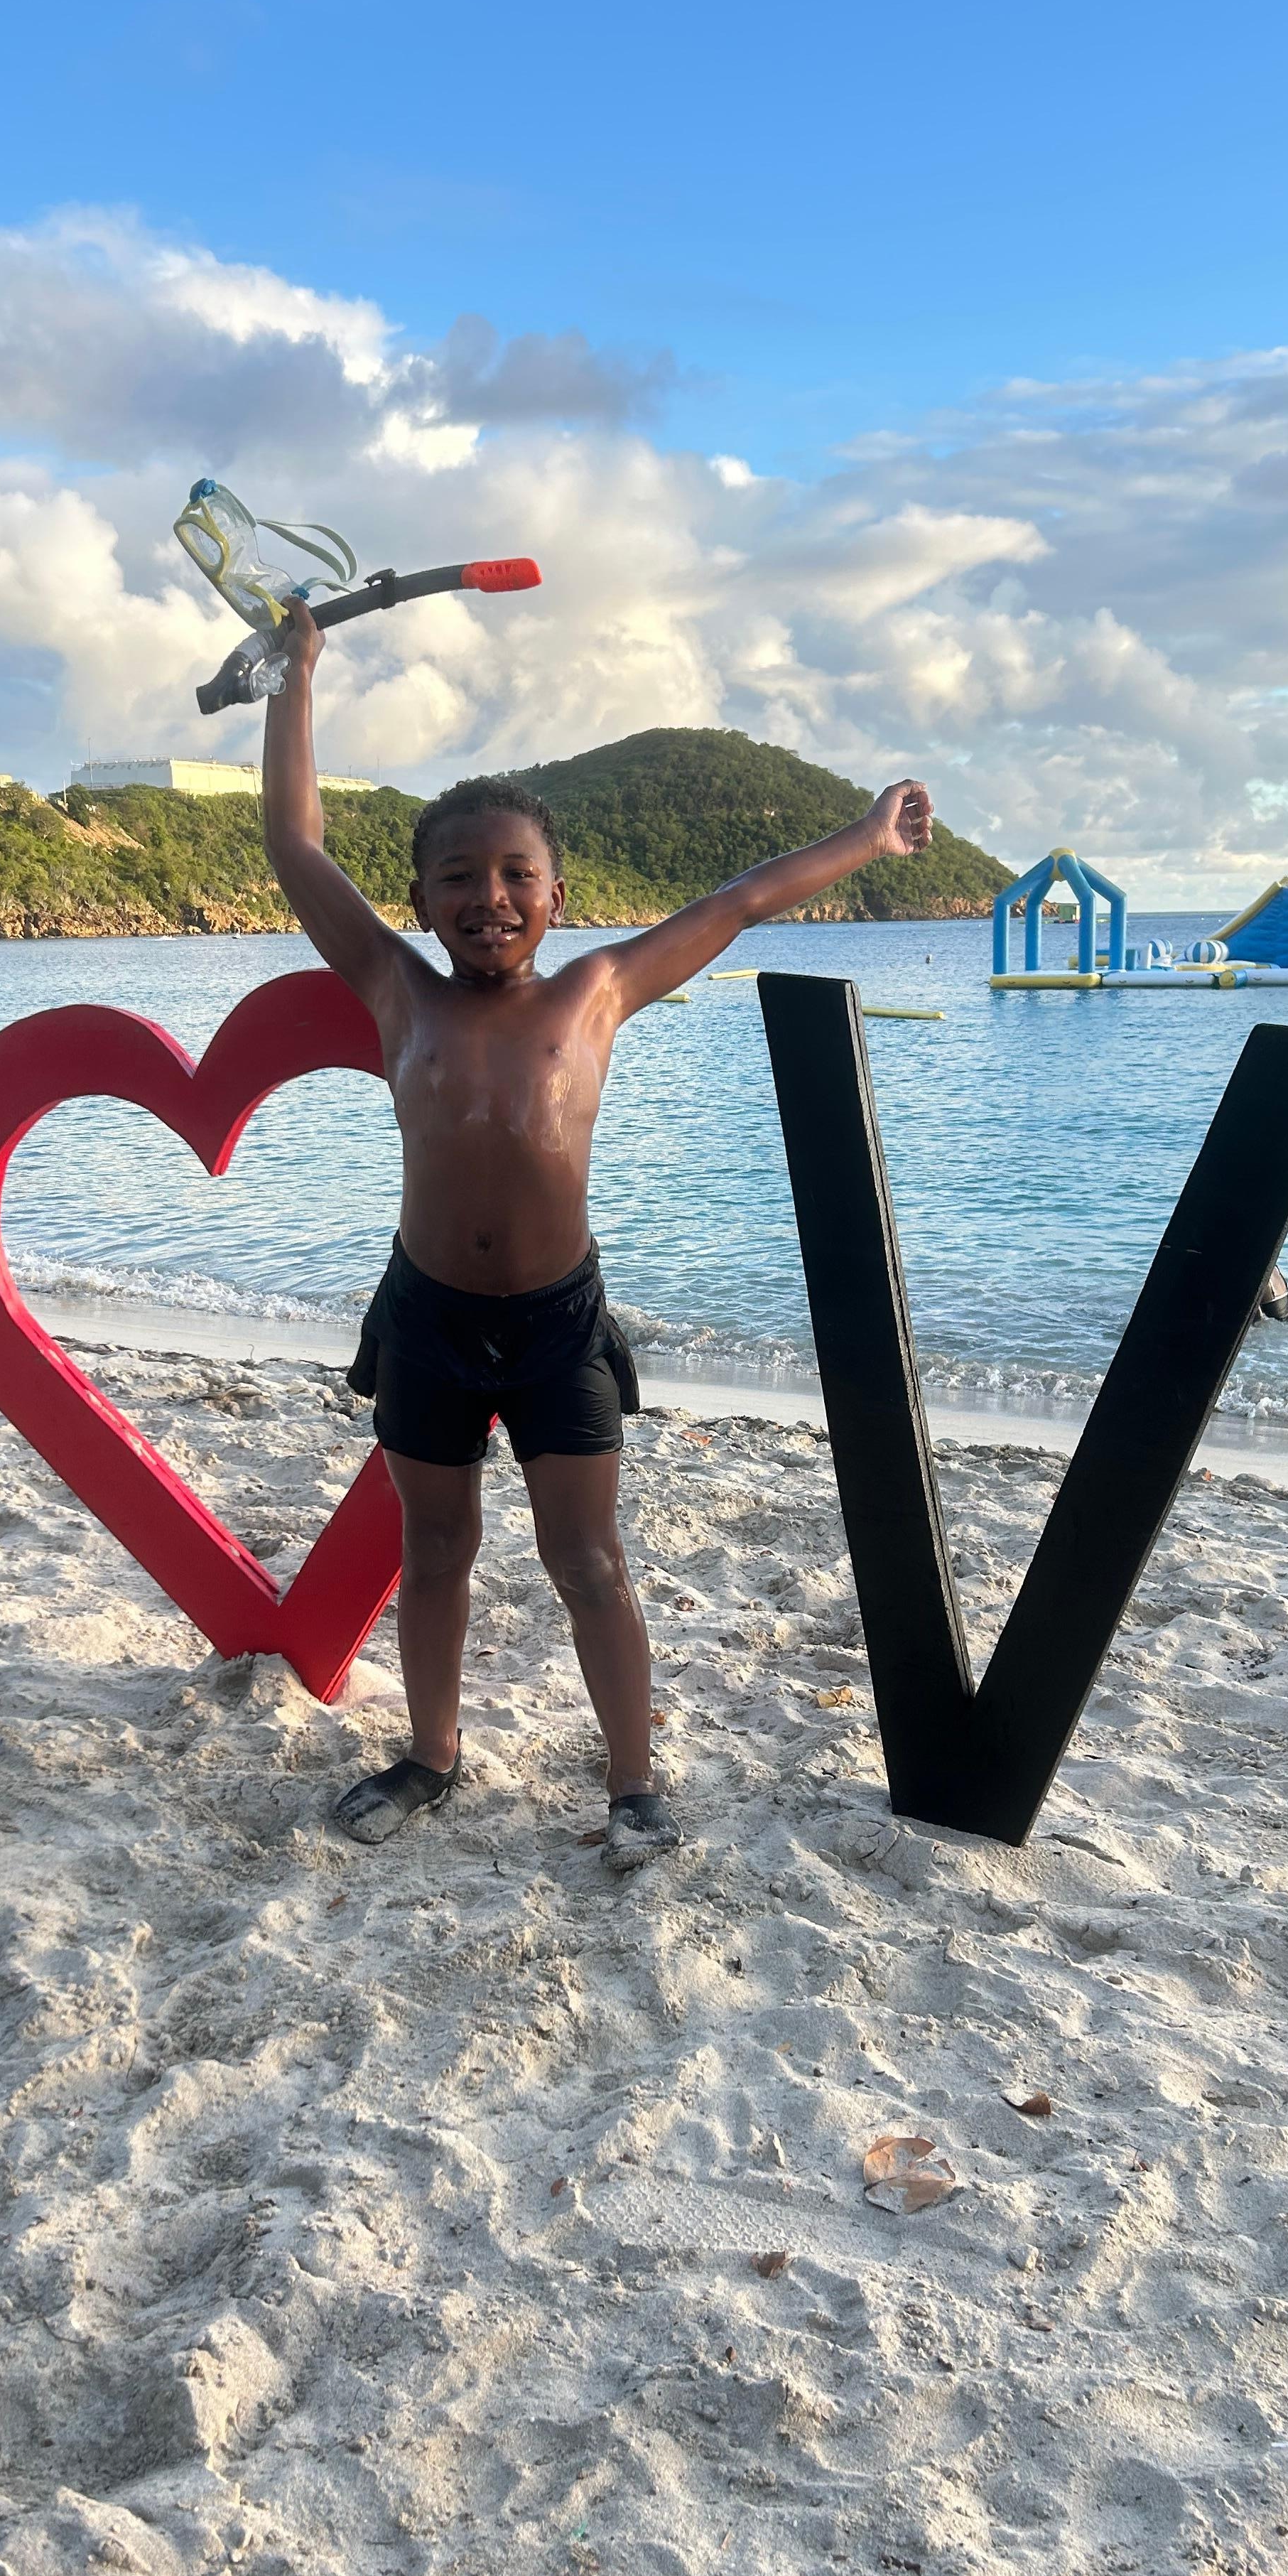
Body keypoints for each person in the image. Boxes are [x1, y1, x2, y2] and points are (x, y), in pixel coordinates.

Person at [261, 598, 933, 1871]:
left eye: (517, 874)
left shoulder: (599, 990)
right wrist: (297, 675)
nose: (490, 896)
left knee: (587, 1558)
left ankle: (632, 1783)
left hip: (557, 1322)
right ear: (420, 900)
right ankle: (432, 1755)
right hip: (426, 1320)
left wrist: (866, 835)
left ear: (558, 895)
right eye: (460, 877)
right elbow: (295, 843)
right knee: (434, 1549)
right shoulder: (395, 989)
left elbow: (739, 902)